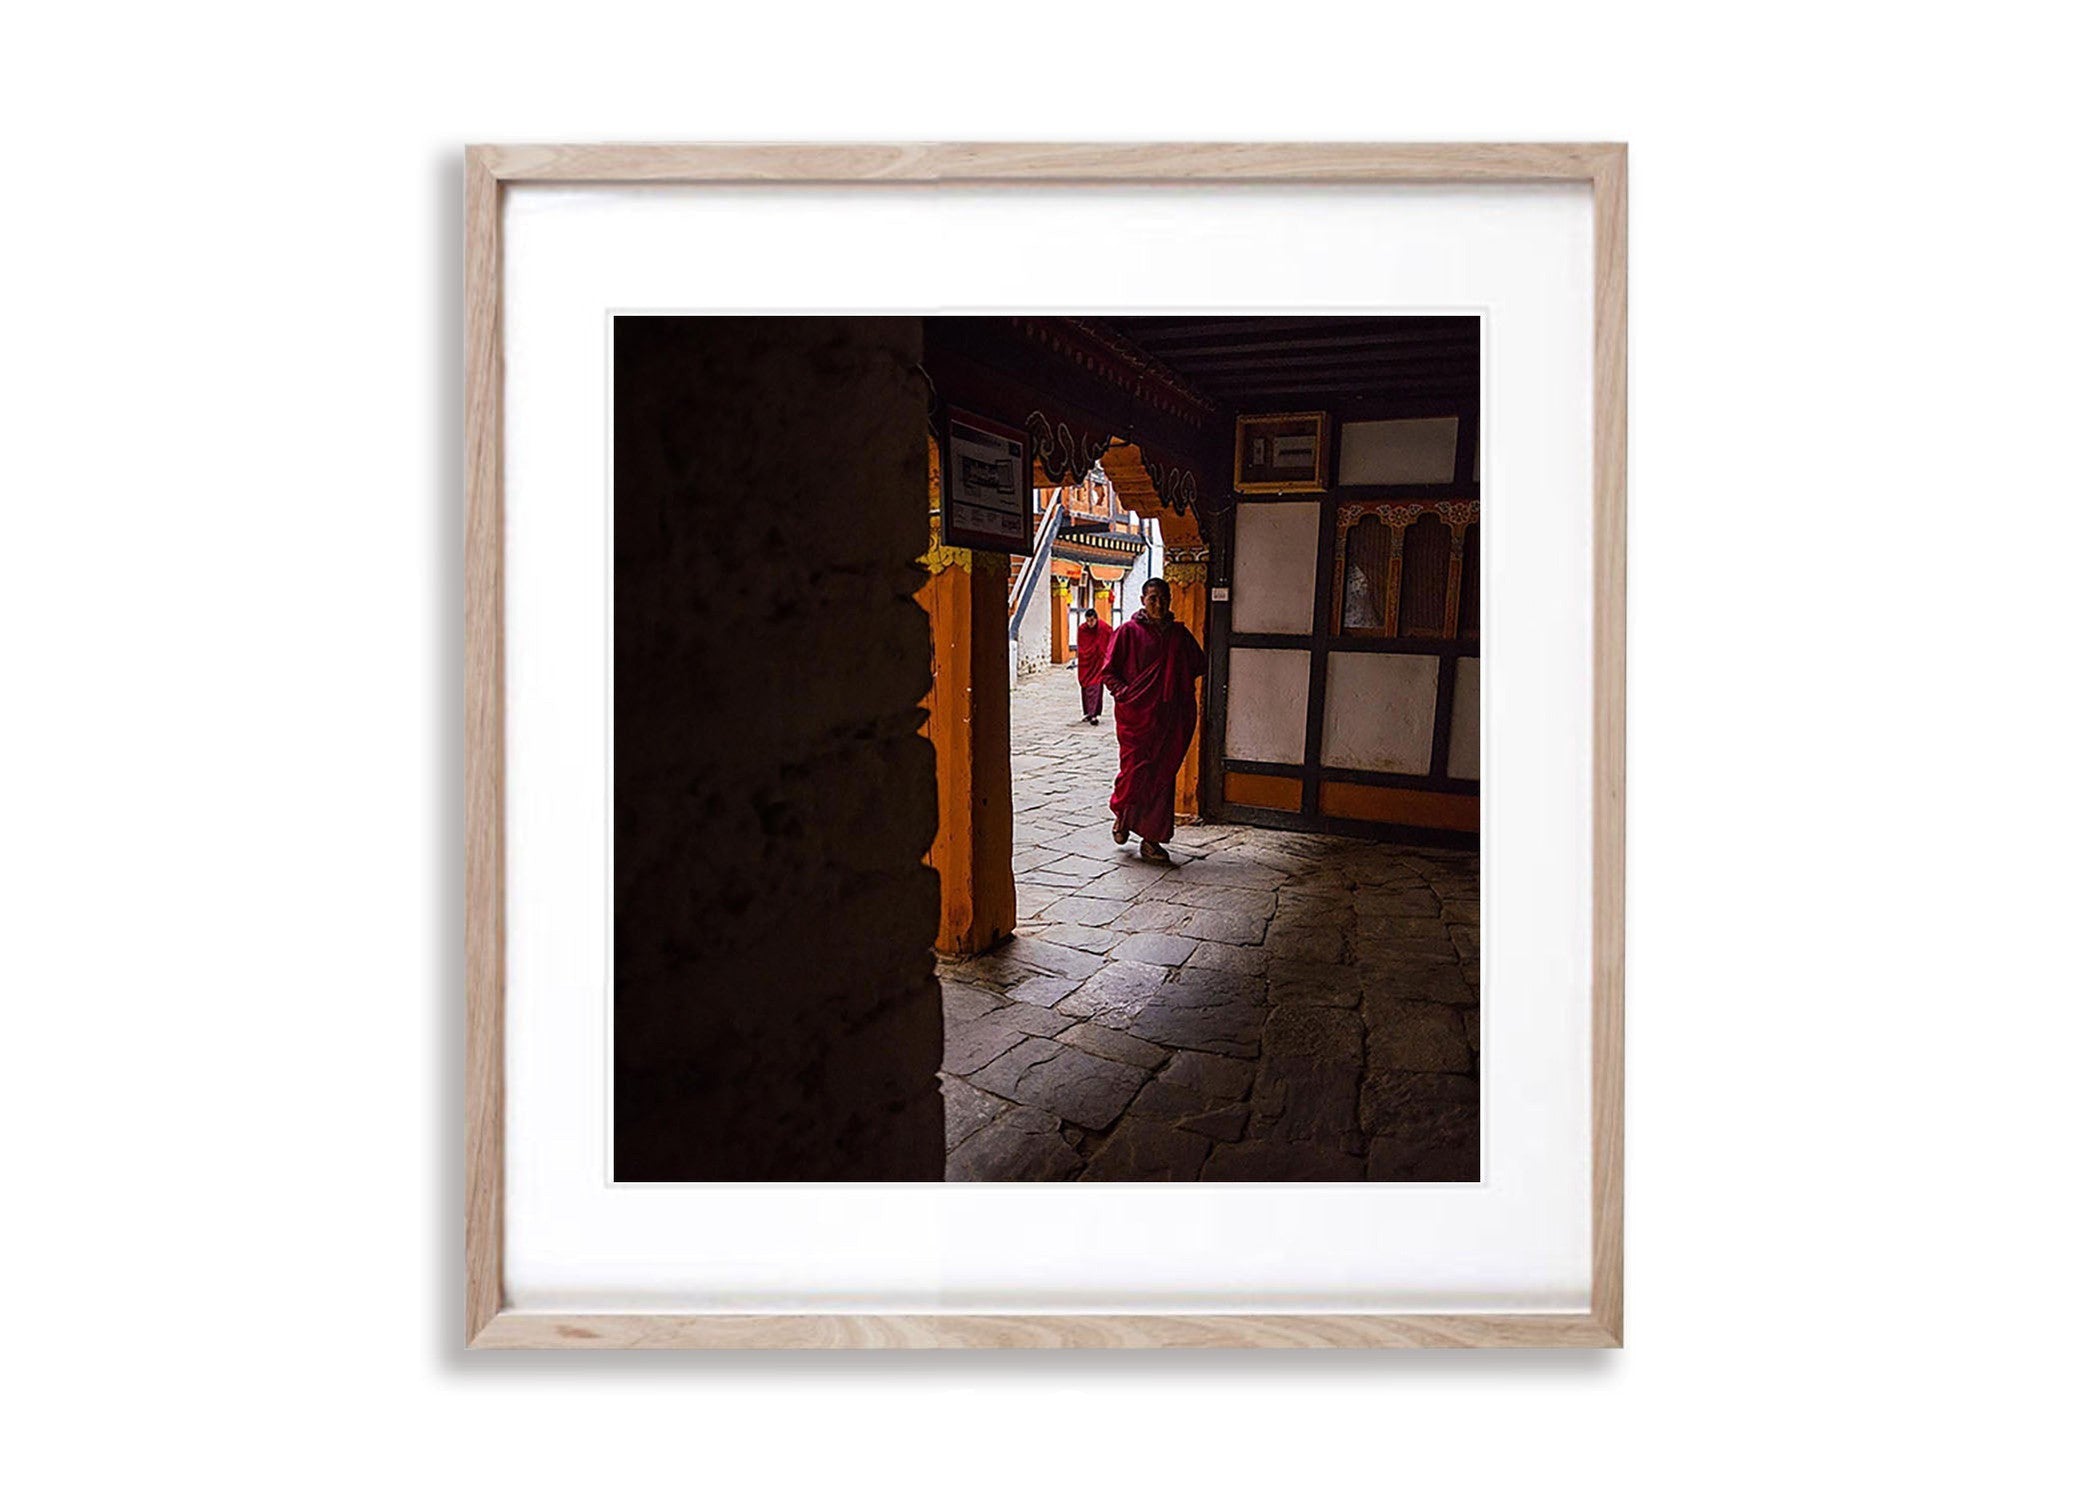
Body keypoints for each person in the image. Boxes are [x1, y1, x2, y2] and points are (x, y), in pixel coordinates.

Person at [1101, 577, 1205, 863]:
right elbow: (1108, 672)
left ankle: (1151, 840)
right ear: (1143, 601)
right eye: (1153, 599)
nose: (1159, 604)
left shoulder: (1179, 636)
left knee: (1161, 779)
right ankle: (1123, 816)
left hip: (1169, 720)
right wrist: (1126, 694)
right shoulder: (1127, 632)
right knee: (1134, 772)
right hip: (1137, 718)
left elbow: (1198, 664)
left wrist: (1173, 686)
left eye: (1163, 598)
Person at [1073, 607, 1109, 724]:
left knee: (1095, 687)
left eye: (1092, 621)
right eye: (1088, 621)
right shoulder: (1082, 629)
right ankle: (1088, 713)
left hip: (1098, 662)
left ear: (1096, 619)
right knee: (1086, 687)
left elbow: (1111, 639)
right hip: (1086, 663)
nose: (1090, 624)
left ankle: (1094, 714)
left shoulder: (1103, 628)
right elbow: (1081, 646)